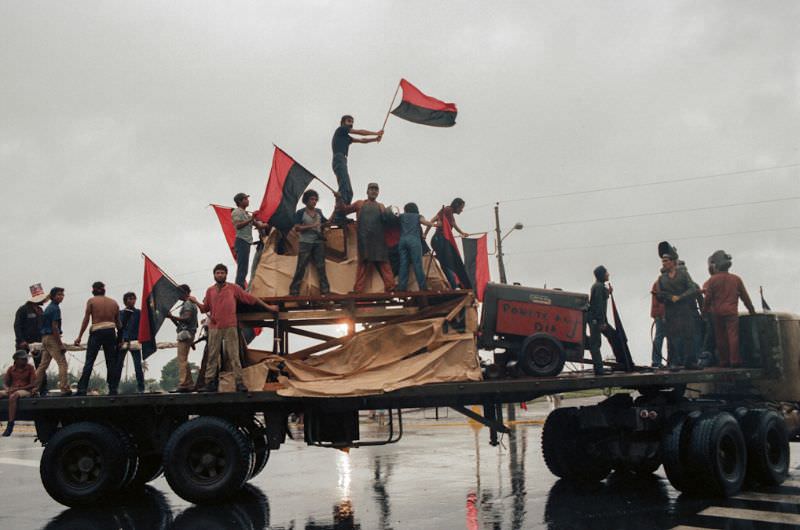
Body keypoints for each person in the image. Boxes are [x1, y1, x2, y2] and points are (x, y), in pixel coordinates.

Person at [189, 264, 279, 392]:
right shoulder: (210, 291)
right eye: (217, 273)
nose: (220, 275)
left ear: (226, 274)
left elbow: (251, 299)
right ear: (214, 275)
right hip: (214, 327)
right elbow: (205, 309)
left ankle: (239, 383)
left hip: (230, 326)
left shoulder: (233, 288)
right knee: (212, 356)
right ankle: (209, 383)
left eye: (222, 273)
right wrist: (196, 302)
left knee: (234, 355)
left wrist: (269, 308)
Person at [336, 183, 396, 293]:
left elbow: (387, 221)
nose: (374, 191)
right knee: (363, 265)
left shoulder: (381, 206)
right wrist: (339, 198)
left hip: (379, 240)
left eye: (376, 190)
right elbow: (343, 210)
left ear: (378, 192)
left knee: (384, 264)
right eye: (371, 189)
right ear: (367, 191)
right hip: (364, 240)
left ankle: (391, 287)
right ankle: (358, 290)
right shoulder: (360, 204)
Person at [702, 250, 756, 367]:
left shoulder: (712, 280)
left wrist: (704, 312)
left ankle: (724, 361)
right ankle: (735, 360)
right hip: (731, 312)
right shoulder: (736, 279)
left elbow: (707, 299)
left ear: (716, 265)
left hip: (717, 313)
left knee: (720, 337)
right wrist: (752, 311)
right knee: (733, 336)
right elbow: (745, 298)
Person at [331, 115, 383, 223]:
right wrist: (376, 133)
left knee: (349, 191)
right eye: (349, 121)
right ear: (343, 122)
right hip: (339, 158)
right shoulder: (341, 130)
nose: (351, 123)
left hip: (342, 160)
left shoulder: (346, 137)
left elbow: (361, 140)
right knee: (344, 187)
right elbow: (360, 132)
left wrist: (375, 139)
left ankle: (342, 213)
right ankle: (338, 216)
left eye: (352, 121)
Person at [74, 282, 122, 396]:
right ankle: (113, 388)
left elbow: (86, 320)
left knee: (89, 361)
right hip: (110, 331)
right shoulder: (114, 303)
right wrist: (120, 338)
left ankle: (82, 389)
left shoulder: (91, 301)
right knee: (111, 362)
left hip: (96, 331)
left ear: (94, 290)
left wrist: (79, 337)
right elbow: (119, 324)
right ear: (104, 289)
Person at [655, 252, 700, 369]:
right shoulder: (662, 279)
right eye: (663, 261)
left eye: (666, 261)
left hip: (684, 309)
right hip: (671, 311)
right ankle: (673, 362)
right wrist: (668, 297)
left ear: (672, 262)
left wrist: (680, 297)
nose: (664, 263)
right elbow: (660, 295)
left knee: (688, 335)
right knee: (672, 337)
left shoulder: (683, 274)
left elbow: (692, 289)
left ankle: (690, 362)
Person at [289, 189, 332, 296]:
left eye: (315, 199)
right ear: (306, 200)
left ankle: (325, 290)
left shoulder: (319, 212)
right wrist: (312, 226)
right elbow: (297, 228)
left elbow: (327, 223)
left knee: (321, 266)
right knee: (301, 266)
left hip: (318, 242)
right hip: (305, 241)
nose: (314, 201)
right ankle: (294, 290)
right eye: (312, 199)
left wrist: (336, 210)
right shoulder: (300, 212)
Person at [33, 287, 71, 396]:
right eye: (59, 294)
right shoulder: (55, 309)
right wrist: (60, 344)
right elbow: (54, 327)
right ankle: (64, 388)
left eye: (62, 294)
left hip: (44, 338)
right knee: (62, 363)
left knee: (43, 365)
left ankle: (34, 388)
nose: (61, 297)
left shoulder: (48, 308)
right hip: (51, 337)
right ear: (53, 296)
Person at [426, 198, 471, 288]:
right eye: (461, 208)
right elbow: (433, 220)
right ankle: (454, 285)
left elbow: (453, 223)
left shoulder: (448, 212)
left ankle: (451, 284)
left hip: (440, 240)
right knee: (448, 262)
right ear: (457, 205)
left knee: (446, 262)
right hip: (440, 239)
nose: (462, 210)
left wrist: (462, 233)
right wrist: (425, 233)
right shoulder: (447, 210)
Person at [13, 283, 48, 395]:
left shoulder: (40, 311)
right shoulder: (23, 309)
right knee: (20, 366)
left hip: (38, 343)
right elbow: (17, 326)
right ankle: (16, 389)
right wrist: (21, 340)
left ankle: (42, 390)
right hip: (24, 343)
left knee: (40, 366)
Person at [397, 203, 437, 291]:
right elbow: (425, 223)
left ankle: (401, 288)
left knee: (403, 265)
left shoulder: (401, 216)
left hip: (402, 241)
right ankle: (423, 287)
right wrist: (434, 225)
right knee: (417, 264)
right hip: (414, 241)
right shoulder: (418, 216)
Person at [231, 192, 268, 288]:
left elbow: (259, 225)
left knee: (245, 267)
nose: (248, 200)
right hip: (241, 241)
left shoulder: (246, 214)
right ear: (240, 201)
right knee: (242, 267)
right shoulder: (236, 212)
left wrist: (272, 222)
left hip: (246, 242)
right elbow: (238, 226)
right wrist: (252, 218)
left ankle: (240, 287)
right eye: (245, 199)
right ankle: (239, 288)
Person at [167, 284, 199, 392]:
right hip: (188, 332)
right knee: (184, 359)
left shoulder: (188, 304)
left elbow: (186, 318)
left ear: (184, 292)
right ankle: (188, 383)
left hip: (185, 333)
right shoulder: (190, 303)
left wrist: (172, 316)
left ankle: (184, 383)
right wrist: (171, 317)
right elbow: (182, 322)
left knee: (182, 359)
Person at [1, 351, 37, 436]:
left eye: (26, 359)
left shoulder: (30, 368)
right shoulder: (11, 369)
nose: (25, 360)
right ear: (16, 360)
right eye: (23, 359)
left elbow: (32, 384)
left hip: (25, 390)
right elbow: (5, 383)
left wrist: (18, 389)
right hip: (13, 389)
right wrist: (7, 389)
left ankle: (10, 425)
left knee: (13, 396)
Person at [587, 266, 612, 376]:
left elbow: (601, 297)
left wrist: (608, 292)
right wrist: (601, 322)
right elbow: (598, 306)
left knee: (596, 343)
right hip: (596, 320)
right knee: (595, 344)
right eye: (606, 272)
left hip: (594, 319)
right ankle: (599, 370)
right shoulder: (599, 287)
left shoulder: (598, 286)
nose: (608, 274)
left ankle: (598, 368)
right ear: (602, 275)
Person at [119, 292, 144, 393]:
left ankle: (141, 388)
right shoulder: (120, 313)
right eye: (130, 299)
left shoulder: (139, 313)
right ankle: (114, 387)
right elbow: (119, 327)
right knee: (118, 365)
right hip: (123, 341)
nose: (132, 300)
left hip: (135, 340)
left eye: (134, 298)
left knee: (138, 366)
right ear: (125, 301)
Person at [649, 279, 666, 368]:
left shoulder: (658, 283)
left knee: (659, 337)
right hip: (661, 315)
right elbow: (661, 301)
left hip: (659, 314)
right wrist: (663, 315)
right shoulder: (661, 283)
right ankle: (656, 361)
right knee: (660, 337)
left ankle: (656, 361)